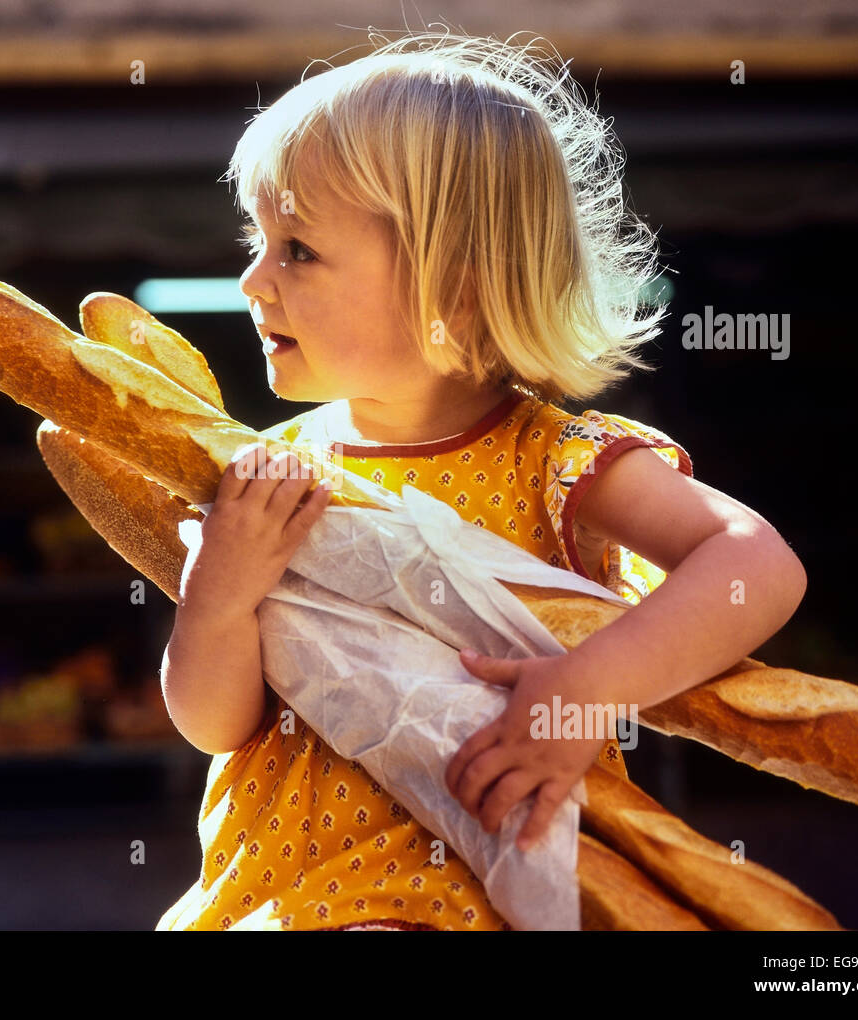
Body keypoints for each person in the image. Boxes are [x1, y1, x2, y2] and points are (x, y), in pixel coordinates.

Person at [157, 31, 807, 930]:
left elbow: (759, 565)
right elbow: (216, 727)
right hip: (270, 894)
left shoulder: (555, 460)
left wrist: (587, 690)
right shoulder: (269, 474)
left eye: (297, 249)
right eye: (257, 241)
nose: (252, 279)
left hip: (463, 888)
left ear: (453, 285)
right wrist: (216, 599)